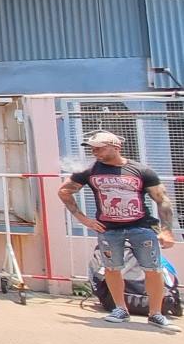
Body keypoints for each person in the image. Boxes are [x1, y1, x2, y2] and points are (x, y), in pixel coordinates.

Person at [58, 131, 176, 328]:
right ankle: (120, 309)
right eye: (92, 149)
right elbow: (64, 191)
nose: (94, 152)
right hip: (109, 229)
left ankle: (156, 313)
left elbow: (162, 199)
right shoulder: (90, 170)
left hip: (141, 226)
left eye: (99, 148)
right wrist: (83, 219)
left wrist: (166, 230)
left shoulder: (140, 170)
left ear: (115, 146)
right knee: (112, 269)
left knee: (153, 269)